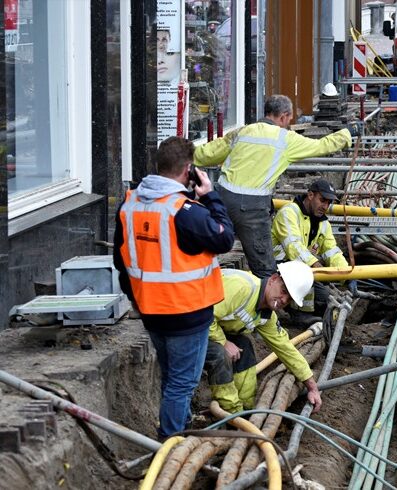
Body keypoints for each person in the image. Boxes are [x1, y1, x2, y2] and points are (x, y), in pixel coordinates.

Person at [113, 137, 235, 438]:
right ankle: (170, 442)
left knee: (172, 377)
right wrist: (210, 197)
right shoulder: (185, 212)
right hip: (187, 313)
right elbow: (224, 238)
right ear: (188, 170)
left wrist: (137, 300)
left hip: (151, 312)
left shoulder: (129, 206)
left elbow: (121, 261)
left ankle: (178, 425)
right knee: (182, 382)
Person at [194, 94, 362, 278]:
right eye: (289, 119)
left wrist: (180, 153)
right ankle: (263, 303)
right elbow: (323, 145)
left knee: (205, 255)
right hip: (252, 209)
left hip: (221, 199)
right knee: (264, 269)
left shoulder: (243, 131)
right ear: (283, 116)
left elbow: (206, 154)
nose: (288, 123)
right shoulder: (285, 139)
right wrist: (348, 132)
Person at [205, 263, 322, 414]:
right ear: (273, 279)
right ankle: (230, 414)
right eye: (283, 291)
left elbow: (286, 348)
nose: (283, 299)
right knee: (220, 355)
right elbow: (204, 314)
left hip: (208, 329)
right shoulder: (242, 287)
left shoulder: (266, 315)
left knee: (244, 346)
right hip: (184, 325)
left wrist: (312, 387)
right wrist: (223, 342)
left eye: (288, 299)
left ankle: (247, 410)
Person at [271, 178, 356, 317]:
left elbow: (332, 251)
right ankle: (296, 314)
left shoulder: (323, 224)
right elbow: (294, 247)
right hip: (276, 270)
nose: (325, 206)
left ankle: (305, 312)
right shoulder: (289, 213)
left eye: (329, 203)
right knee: (306, 273)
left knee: (324, 299)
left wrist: (347, 274)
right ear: (310, 195)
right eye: (322, 200)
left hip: (303, 269)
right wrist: (315, 265)